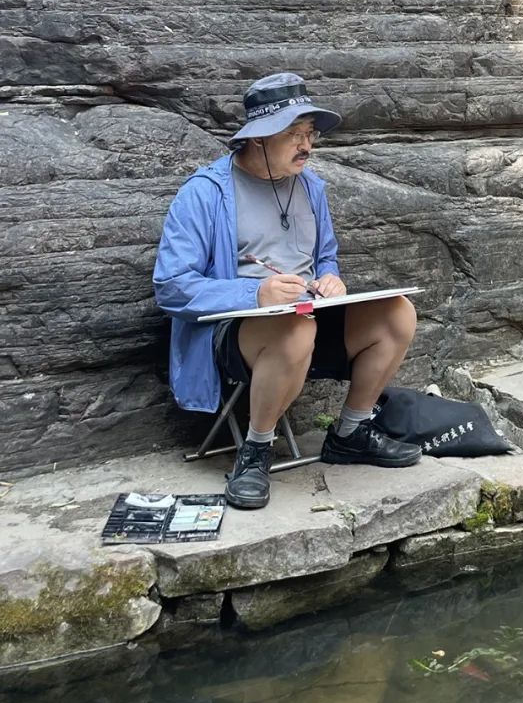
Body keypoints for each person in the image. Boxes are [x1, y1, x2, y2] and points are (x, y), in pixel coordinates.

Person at [154, 72, 421, 509]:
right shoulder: (204, 194)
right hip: (238, 337)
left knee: (398, 313)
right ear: (258, 139)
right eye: (295, 134)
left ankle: (350, 433)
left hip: (309, 319)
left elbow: (326, 256)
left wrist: (330, 279)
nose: (307, 145)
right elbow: (171, 287)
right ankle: (256, 450)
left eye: (310, 133)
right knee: (295, 327)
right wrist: (254, 296)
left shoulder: (311, 188)